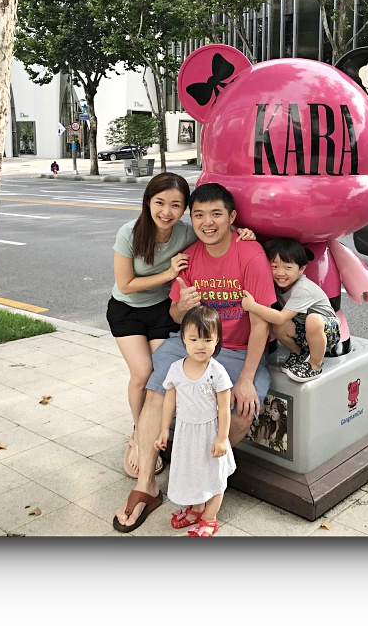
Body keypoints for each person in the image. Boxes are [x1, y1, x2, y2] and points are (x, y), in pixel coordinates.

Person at [113, 182, 276, 533]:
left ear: (232, 217)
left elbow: (261, 323)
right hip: (187, 343)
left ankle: (204, 475)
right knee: (156, 388)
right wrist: (179, 308)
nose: (207, 222)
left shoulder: (250, 254)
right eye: (199, 215)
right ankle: (146, 485)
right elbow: (174, 313)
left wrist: (246, 377)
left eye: (217, 214)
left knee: (243, 411)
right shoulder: (190, 255)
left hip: (238, 350)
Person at [107, 174, 254, 480]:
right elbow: (126, 283)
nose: (166, 212)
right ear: (148, 202)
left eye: (176, 205)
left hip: (163, 311)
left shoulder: (186, 232)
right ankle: (138, 436)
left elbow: (214, 230)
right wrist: (168, 273)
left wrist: (244, 233)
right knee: (142, 375)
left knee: (169, 376)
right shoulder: (129, 233)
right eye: (160, 202)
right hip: (127, 311)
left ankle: (163, 431)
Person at [155, 306, 235, 537]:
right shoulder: (176, 369)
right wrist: (163, 431)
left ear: (217, 340)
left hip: (210, 433)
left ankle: (210, 517)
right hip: (186, 432)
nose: (200, 345)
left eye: (207, 339)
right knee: (191, 472)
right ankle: (197, 508)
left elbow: (224, 408)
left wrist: (222, 438)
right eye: (193, 339)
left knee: (213, 476)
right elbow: (169, 402)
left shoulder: (217, 372)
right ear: (183, 339)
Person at [240, 237, 340, 382]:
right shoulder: (276, 284)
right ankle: (298, 353)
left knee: (311, 319)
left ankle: (315, 365)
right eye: (274, 266)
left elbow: (281, 317)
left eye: (287, 267)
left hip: (327, 331)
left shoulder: (303, 289)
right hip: (303, 329)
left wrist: (252, 306)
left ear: (301, 269)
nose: (280, 273)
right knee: (275, 323)